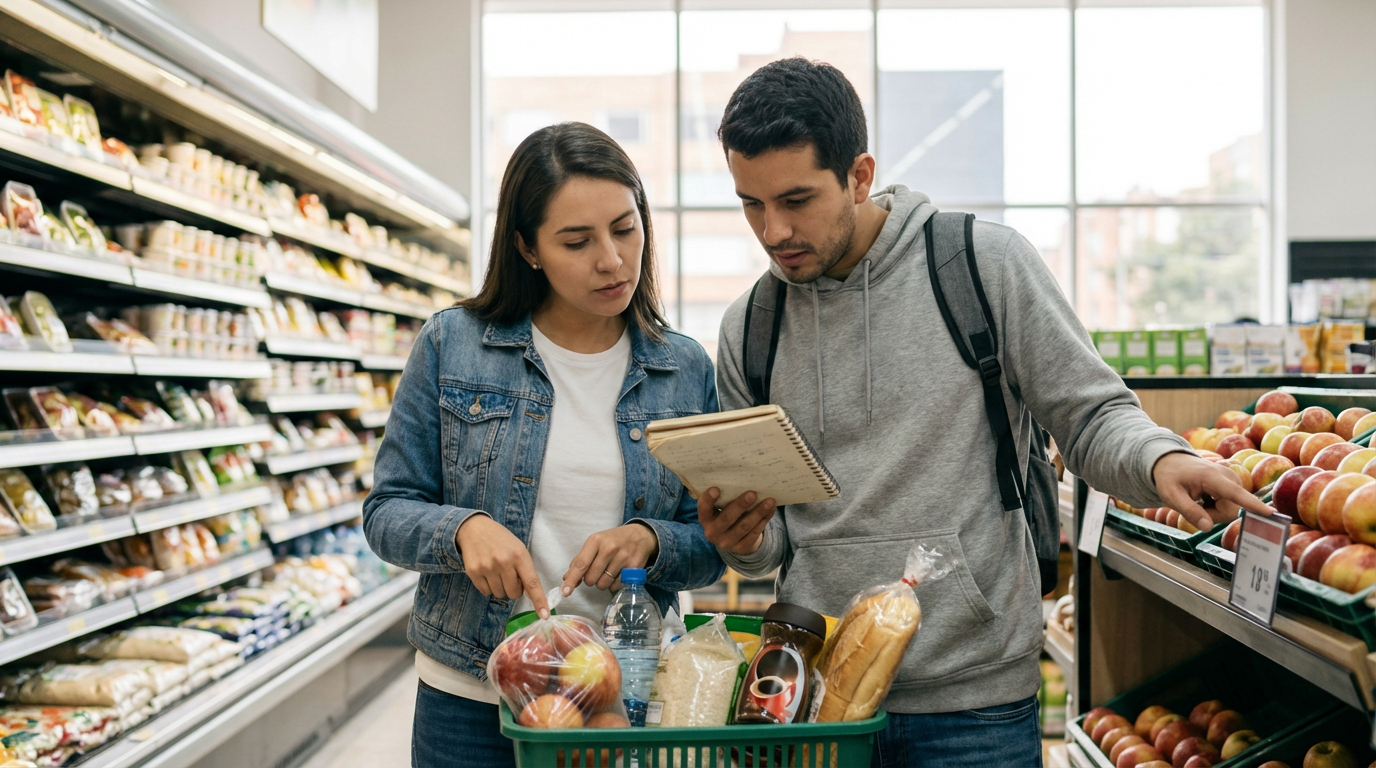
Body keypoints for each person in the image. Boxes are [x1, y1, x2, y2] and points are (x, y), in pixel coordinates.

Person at [697, 58, 1270, 768]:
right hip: (817, 704)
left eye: (796, 199)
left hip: (974, 709)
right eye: (751, 204)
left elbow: (1090, 415)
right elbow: (770, 546)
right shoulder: (749, 325)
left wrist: (1161, 459)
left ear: (859, 174)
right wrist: (741, 538)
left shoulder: (981, 265)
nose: (773, 230)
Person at [363, 122, 725, 768]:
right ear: (528, 248)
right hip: (469, 696)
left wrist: (651, 539)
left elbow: (712, 546)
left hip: (619, 697)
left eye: (625, 227)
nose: (612, 259)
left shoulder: (685, 369)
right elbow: (386, 512)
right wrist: (462, 529)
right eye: (577, 241)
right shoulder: (453, 345)